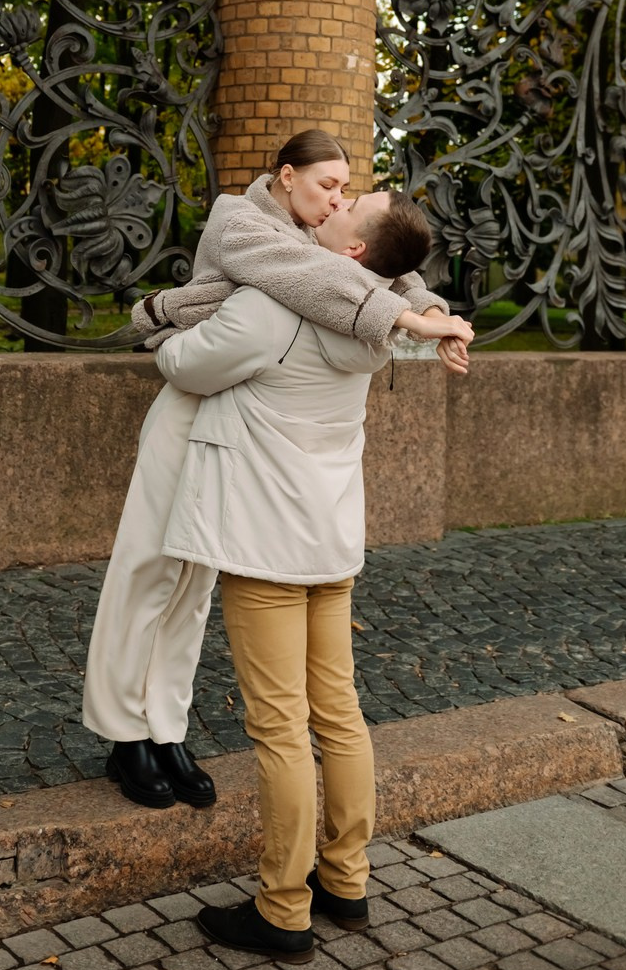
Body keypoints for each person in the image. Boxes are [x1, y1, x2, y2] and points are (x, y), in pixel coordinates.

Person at [81, 128, 472, 810]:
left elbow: (387, 263)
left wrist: (435, 311)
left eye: (345, 190)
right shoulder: (242, 222)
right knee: (148, 568)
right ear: (285, 175)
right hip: (190, 406)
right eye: (326, 185)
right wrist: (411, 316)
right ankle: (122, 734)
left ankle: (166, 726)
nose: (336, 199)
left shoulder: (324, 238)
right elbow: (323, 275)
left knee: (197, 577)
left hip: (239, 422)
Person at [154, 265, 450, 963]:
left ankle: (283, 909)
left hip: (265, 546)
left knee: (280, 728)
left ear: (353, 248)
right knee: (339, 713)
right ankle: (346, 880)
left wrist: (165, 325)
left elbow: (184, 364)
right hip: (332, 540)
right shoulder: (375, 326)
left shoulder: (268, 310)